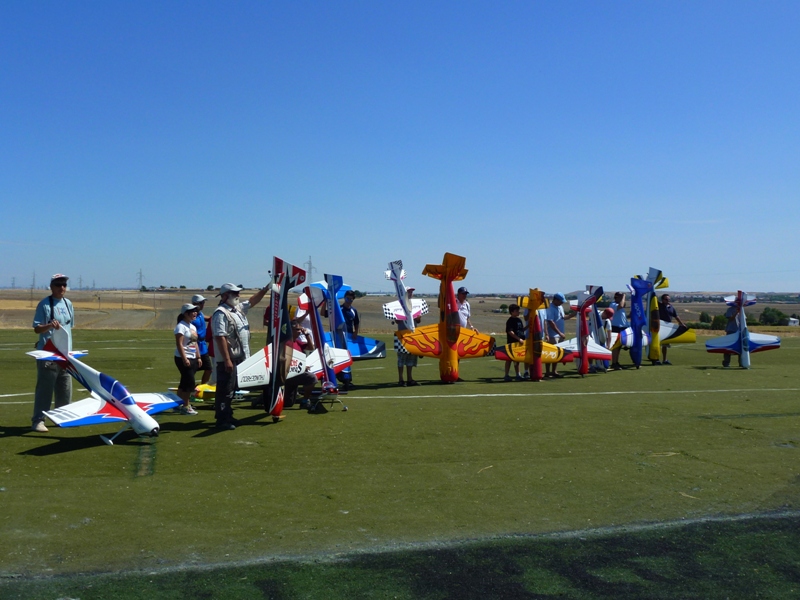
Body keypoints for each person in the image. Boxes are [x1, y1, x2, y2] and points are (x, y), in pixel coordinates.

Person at [211, 282, 270, 430]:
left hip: (239, 358)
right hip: (229, 359)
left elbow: (252, 301)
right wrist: (227, 360)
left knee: (231, 389)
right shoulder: (220, 313)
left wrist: (266, 288)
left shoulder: (237, 309)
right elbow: (220, 337)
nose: (238, 295)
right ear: (225, 296)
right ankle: (222, 420)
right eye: (234, 293)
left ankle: (228, 415)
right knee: (225, 390)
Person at [31, 274, 75, 432]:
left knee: (65, 388)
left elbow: (69, 327)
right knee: (45, 388)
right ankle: (38, 420)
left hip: (65, 353)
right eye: (58, 284)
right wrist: (49, 326)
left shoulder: (68, 303)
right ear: (51, 286)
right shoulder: (44, 304)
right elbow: (37, 329)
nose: (61, 288)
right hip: (48, 354)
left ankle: (62, 417)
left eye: (63, 284)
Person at [284, 319, 320, 411]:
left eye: (300, 329)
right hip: (289, 374)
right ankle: (305, 400)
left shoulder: (297, 342)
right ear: (291, 330)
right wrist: (301, 367)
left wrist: (307, 334)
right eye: (298, 329)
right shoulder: (286, 343)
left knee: (288, 403)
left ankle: (262, 398)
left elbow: (311, 347)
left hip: (296, 372)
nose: (300, 331)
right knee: (312, 378)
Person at [173, 304, 200, 415]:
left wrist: (198, 357)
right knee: (189, 383)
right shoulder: (181, 326)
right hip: (183, 357)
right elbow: (179, 344)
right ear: (185, 313)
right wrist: (184, 358)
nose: (195, 313)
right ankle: (186, 406)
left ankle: (176, 404)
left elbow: (195, 343)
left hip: (192, 357)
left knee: (184, 382)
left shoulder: (192, 327)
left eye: (195, 311)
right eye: (192, 311)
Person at [396, 288, 421, 387]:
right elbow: (397, 320)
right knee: (401, 358)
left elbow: (419, 320)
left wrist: (416, 314)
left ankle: (410, 378)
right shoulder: (399, 305)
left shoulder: (415, 304)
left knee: (411, 358)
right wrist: (404, 315)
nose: (411, 293)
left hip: (413, 334)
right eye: (409, 292)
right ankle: (401, 379)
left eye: (411, 292)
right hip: (402, 334)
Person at [545, 293, 573, 378]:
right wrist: (559, 333)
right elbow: (550, 322)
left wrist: (573, 314)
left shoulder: (560, 307)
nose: (561, 303)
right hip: (553, 335)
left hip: (560, 334)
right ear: (555, 300)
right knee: (550, 354)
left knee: (557, 354)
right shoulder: (550, 308)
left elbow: (563, 317)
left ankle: (554, 371)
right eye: (560, 301)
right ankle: (547, 372)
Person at [190, 294, 213, 385]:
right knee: (192, 370)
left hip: (203, 346)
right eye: (202, 302)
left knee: (209, 369)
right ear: (197, 304)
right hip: (194, 345)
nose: (204, 304)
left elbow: (206, 318)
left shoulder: (200, 314)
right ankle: (190, 389)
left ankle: (202, 388)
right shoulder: (192, 316)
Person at [657, 294, 686, 365]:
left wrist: (681, 324)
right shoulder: (659, 306)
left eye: (669, 299)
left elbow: (676, 316)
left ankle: (664, 360)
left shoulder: (671, 307)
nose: (668, 301)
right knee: (657, 344)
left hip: (667, 328)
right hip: (659, 327)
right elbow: (653, 299)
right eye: (666, 299)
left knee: (665, 345)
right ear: (663, 300)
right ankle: (656, 359)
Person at [504, 304, 525, 381]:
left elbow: (521, 330)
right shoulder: (510, 321)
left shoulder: (519, 320)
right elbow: (510, 331)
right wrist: (518, 339)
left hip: (520, 343)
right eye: (516, 311)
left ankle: (518, 374)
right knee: (509, 359)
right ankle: (506, 375)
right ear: (512, 312)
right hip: (512, 343)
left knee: (517, 360)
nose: (518, 312)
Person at [609, 292, 628, 370]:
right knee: (616, 346)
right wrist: (623, 297)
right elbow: (621, 305)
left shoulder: (620, 306)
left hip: (622, 328)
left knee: (619, 346)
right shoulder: (613, 305)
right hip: (616, 327)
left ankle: (616, 362)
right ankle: (614, 363)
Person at [722, 304, 741, 368]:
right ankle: (726, 362)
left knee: (740, 347)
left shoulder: (741, 310)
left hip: (739, 331)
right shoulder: (730, 309)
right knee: (728, 347)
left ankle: (741, 362)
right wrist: (736, 312)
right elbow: (730, 318)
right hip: (731, 330)